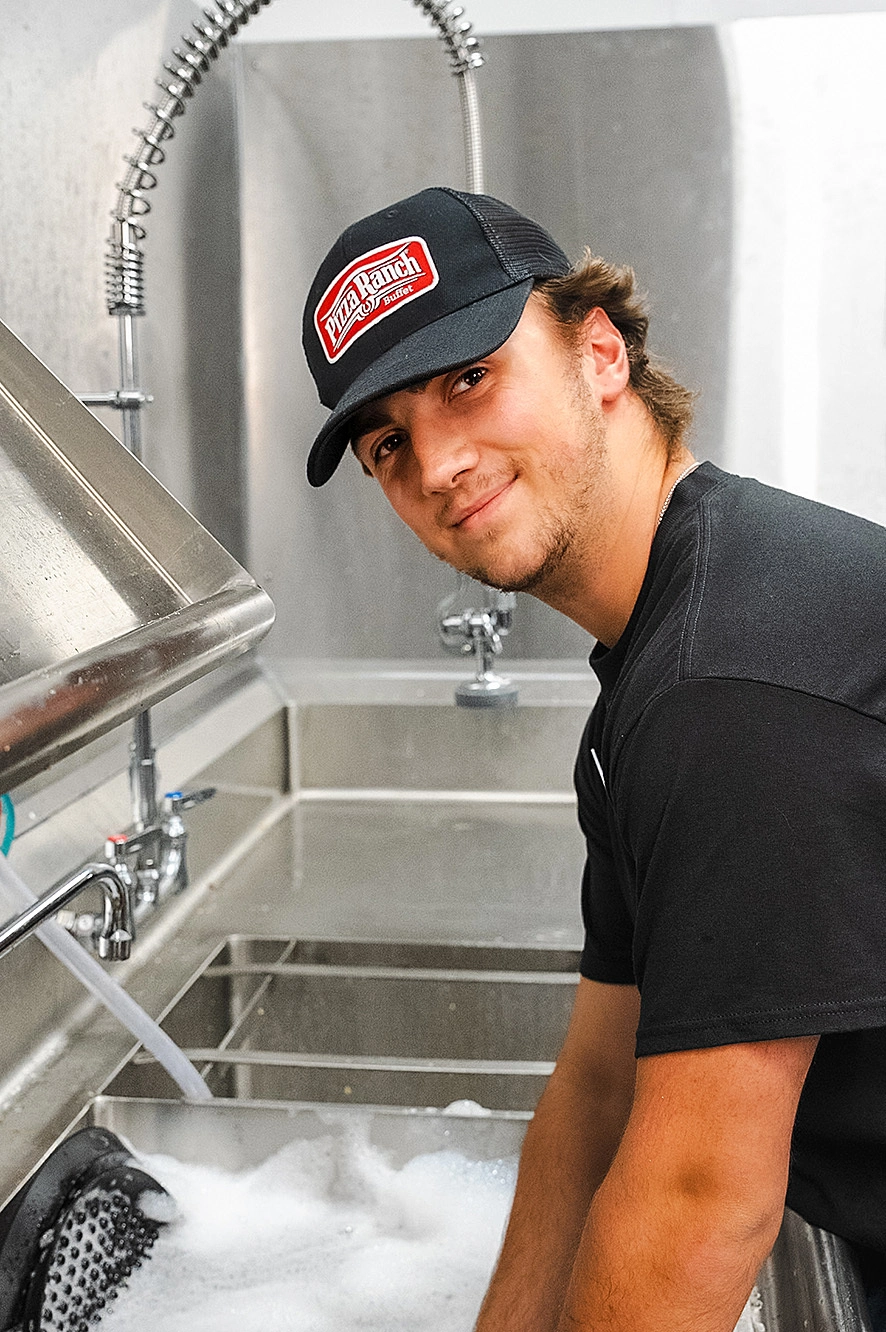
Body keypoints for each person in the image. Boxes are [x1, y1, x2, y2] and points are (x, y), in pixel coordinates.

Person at [300, 187, 886, 1331]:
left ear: (600, 349)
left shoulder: (725, 687)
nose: (436, 464)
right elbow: (597, 1092)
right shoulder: (653, 674)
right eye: (388, 441)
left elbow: (696, 1203)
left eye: (468, 378)